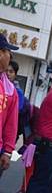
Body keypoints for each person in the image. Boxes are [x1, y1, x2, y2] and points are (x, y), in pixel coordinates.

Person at [0, 35, 19, 179]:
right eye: (7, 52)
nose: (10, 56)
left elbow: (11, 124)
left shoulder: (10, 90)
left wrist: (7, 151)